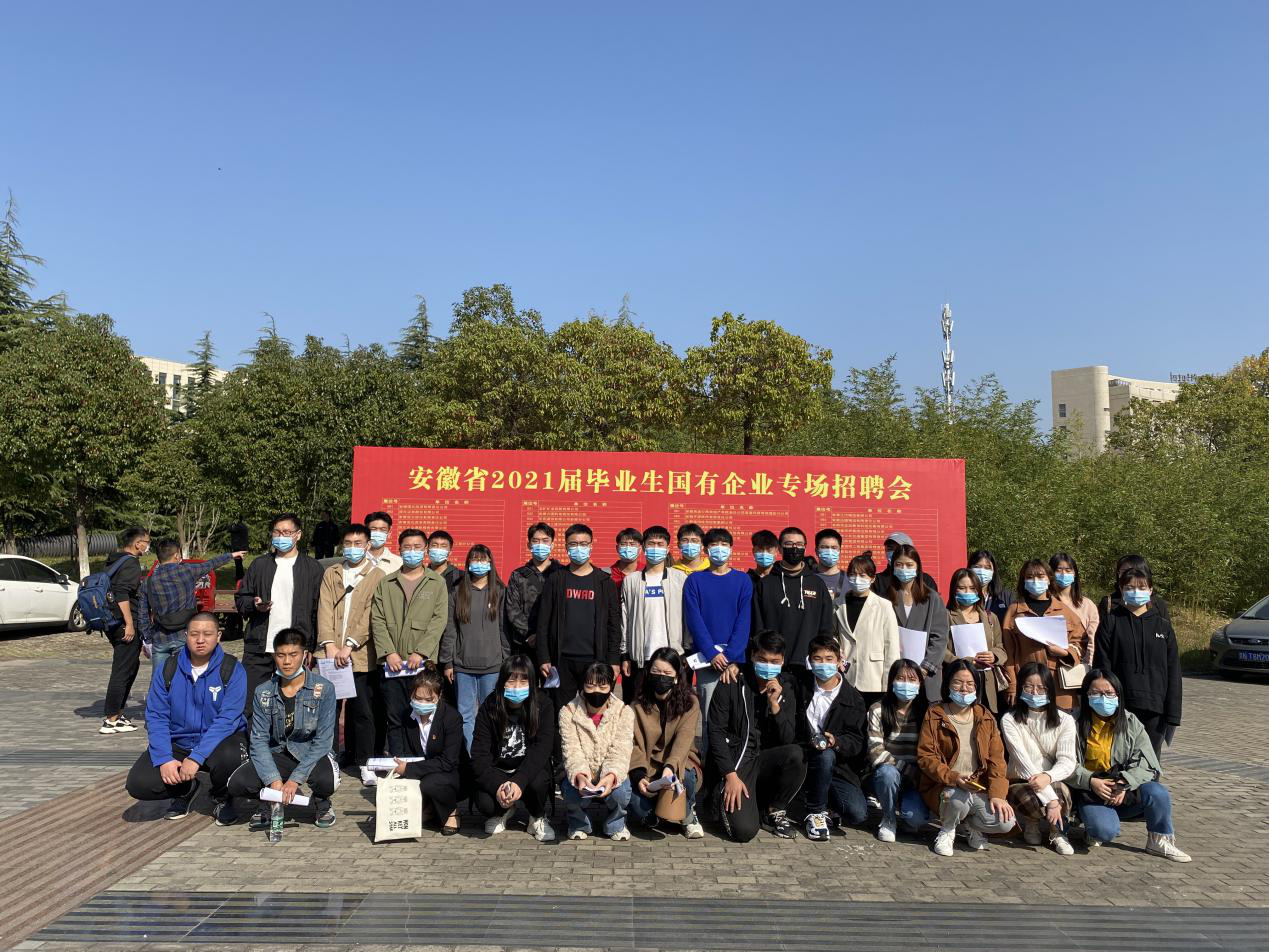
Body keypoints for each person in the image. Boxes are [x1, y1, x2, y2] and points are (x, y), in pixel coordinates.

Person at [125, 612, 247, 823]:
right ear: (185, 636)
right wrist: (164, 758)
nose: (200, 640)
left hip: (220, 741)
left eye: (207, 634)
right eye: (194, 634)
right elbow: (156, 716)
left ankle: (222, 797)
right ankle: (186, 789)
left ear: (218, 636)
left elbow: (228, 720)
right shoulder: (168, 668)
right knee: (139, 783)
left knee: (231, 757)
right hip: (180, 742)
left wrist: (196, 757)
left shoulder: (232, 669)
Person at [1067, 669, 1190, 861]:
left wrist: (1124, 783)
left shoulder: (1131, 722)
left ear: (1118, 694)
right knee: (1104, 831)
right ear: (1086, 695)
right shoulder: (1072, 722)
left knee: (1157, 792)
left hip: (1122, 789)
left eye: (1109, 693)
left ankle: (1158, 840)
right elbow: (1065, 763)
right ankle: (1092, 825)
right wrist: (1091, 781)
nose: (1103, 698)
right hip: (1089, 790)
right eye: (1095, 693)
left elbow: (1147, 764)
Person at [226, 628, 339, 831]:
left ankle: (322, 802)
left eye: (293, 654)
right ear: (274, 656)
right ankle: (268, 800)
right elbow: (258, 740)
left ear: (305, 655)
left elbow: (323, 740)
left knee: (327, 781)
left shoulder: (324, 688)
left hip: (310, 752)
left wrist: (295, 779)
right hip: (277, 752)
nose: (287, 661)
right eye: (281, 655)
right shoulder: (263, 692)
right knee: (238, 783)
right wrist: (273, 779)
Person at [707, 630, 806, 842]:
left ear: (783, 661)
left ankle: (773, 810)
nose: (768, 666)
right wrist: (730, 775)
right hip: (738, 763)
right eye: (762, 660)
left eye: (774, 661)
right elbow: (715, 732)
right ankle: (722, 799)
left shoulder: (786, 688)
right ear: (752, 656)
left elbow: (787, 739)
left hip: (765, 760)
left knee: (797, 754)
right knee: (743, 832)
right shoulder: (732, 682)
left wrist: (775, 705)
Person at [917, 659, 1016, 856]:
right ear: (947, 684)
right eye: (958, 682)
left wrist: (997, 794)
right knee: (956, 799)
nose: (964, 689)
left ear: (977, 687)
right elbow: (926, 756)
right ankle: (947, 830)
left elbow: (997, 760)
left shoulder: (985, 716)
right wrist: (953, 778)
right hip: (945, 786)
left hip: (977, 787)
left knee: (1005, 822)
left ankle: (970, 826)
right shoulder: (935, 714)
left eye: (970, 684)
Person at [317, 523, 386, 785]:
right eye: (348, 543)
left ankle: (365, 763)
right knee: (329, 711)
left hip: (360, 655)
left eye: (358, 543)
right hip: (330, 653)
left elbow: (371, 614)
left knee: (363, 712)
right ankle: (330, 759)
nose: (353, 548)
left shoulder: (377, 575)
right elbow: (324, 608)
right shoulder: (332, 573)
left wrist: (349, 645)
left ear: (368, 545)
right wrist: (329, 644)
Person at [235, 513, 325, 713]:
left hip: (293, 650)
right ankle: (253, 734)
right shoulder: (260, 565)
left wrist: (311, 647)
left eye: (286, 532)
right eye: (277, 532)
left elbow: (318, 611)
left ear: (298, 535)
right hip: (260, 647)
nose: (281, 536)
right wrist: (254, 605)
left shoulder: (313, 569)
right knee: (251, 704)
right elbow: (241, 599)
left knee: (291, 707)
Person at [1092, 567, 1181, 756]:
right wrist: (1105, 701)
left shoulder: (1163, 627)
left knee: (1149, 761)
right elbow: (1102, 665)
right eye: (1129, 587)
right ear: (1121, 589)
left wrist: (1173, 713)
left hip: (1155, 707)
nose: (1135, 592)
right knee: (1119, 757)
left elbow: (1173, 671)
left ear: (1150, 590)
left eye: (1141, 588)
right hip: (1120, 706)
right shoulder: (1111, 622)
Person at [371, 528, 448, 741]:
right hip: (392, 665)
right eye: (407, 547)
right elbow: (377, 620)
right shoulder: (386, 583)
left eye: (417, 547)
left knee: (423, 715)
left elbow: (438, 620)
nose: (412, 551)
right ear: (400, 549)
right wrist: (389, 652)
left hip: (422, 664)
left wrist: (421, 652)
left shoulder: (436, 583)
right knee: (395, 717)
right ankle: (398, 758)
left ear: (425, 549)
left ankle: (421, 758)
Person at [534, 523, 621, 708]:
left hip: (594, 660)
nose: (578, 548)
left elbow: (614, 625)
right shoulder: (556, 579)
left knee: (593, 711)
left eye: (583, 544)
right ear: (566, 547)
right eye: (573, 544)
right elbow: (543, 623)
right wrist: (544, 657)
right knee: (560, 712)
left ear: (591, 546)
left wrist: (614, 660)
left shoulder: (605, 582)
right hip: (561, 661)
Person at [470, 655, 556, 841]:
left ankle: (537, 816)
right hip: (499, 770)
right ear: (502, 682)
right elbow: (479, 754)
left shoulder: (543, 704)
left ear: (532, 682)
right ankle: (503, 810)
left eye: (523, 681)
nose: (517, 686)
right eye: (511, 680)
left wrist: (519, 781)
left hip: (528, 769)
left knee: (539, 782)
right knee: (484, 801)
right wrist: (498, 786)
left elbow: (542, 748)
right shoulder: (490, 706)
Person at [683, 528, 752, 753]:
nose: (719, 549)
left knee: (736, 718)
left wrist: (731, 658)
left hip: (734, 664)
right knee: (709, 719)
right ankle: (709, 765)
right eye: (713, 545)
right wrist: (712, 653)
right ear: (705, 549)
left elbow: (744, 621)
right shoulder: (694, 580)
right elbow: (694, 620)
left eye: (724, 544)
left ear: (731, 549)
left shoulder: (743, 580)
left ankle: (735, 765)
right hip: (707, 662)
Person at [1000, 662, 1077, 856]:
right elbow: (1023, 762)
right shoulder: (1009, 719)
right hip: (1021, 779)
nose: (1035, 693)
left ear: (1050, 690)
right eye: (1028, 687)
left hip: (1053, 779)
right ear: (1020, 688)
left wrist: (1048, 777)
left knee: (1060, 789)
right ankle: (1032, 821)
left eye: (1041, 688)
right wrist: (1051, 801)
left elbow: (1068, 761)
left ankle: (1058, 832)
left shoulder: (1066, 720)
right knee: (1039, 798)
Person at [628, 647, 704, 838]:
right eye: (656, 671)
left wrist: (670, 767)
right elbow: (633, 744)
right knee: (638, 805)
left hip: (679, 761)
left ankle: (688, 813)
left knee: (687, 777)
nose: (661, 677)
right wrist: (638, 775)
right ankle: (655, 812)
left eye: (667, 673)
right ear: (648, 673)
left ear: (677, 676)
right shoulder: (636, 705)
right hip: (648, 765)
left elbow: (684, 738)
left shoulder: (690, 703)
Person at [439, 545, 510, 749]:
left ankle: (489, 754)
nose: (479, 564)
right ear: (468, 563)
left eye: (483, 559)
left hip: (493, 666)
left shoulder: (500, 591)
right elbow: (450, 629)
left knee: (492, 713)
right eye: (475, 559)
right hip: (463, 666)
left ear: (490, 563)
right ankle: (470, 756)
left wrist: (506, 660)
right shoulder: (457, 591)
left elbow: (504, 629)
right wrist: (447, 662)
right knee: (465, 715)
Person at [799, 634, 868, 842]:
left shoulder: (853, 698)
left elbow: (857, 741)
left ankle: (824, 799)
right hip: (800, 756)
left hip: (836, 765)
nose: (823, 664)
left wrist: (837, 742)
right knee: (822, 757)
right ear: (810, 661)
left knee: (857, 813)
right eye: (818, 659)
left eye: (829, 659)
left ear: (839, 661)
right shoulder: (798, 685)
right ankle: (816, 813)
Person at [558, 662, 635, 841]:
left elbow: (621, 750)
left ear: (611, 686)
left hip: (609, 771)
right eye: (590, 685)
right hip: (583, 772)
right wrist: (580, 775)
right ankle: (578, 823)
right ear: (582, 686)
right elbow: (571, 750)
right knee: (571, 790)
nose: (596, 691)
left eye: (603, 686)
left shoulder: (624, 712)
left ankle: (616, 824)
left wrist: (610, 776)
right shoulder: (568, 711)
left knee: (621, 792)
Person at [139, 539, 241, 672]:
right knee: (185, 676)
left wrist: (147, 640)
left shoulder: (148, 582)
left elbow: (142, 615)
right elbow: (210, 564)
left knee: (159, 679)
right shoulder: (187, 571)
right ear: (177, 555)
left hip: (160, 637)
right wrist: (231, 555)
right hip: (184, 635)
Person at [752, 527, 835, 690]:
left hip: (808, 668)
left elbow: (825, 629)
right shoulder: (765, 584)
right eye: (789, 544)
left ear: (805, 547)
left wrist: (822, 661)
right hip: (773, 667)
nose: (794, 548)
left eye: (799, 544)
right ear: (780, 548)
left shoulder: (817, 584)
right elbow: (758, 627)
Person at [386, 664, 465, 835]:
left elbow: (448, 761)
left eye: (428, 700)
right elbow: (404, 750)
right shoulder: (407, 715)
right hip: (421, 767)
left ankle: (452, 811)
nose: (422, 703)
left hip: (449, 772)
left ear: (439, 696)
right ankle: (429, 807)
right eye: (418, 698)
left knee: (431, 784)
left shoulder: (451, 718)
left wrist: (409, 769)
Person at [1002, 560, 1085, 709]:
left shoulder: (1063, 610)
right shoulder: (1015, 611)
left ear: (1049, 579)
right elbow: (1008, 652)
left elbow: (1080, 642)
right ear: (1023, 581)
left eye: (1040, 576)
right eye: (1029, 577)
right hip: (1027, 685)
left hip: (1059, 686)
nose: (1035, 581)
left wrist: (1065, 652)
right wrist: (1012, 685)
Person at [865, 659, 931, 841]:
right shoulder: (878, 709)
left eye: (912, 679)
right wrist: (907, 770)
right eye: (900, 678)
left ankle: (905, 810)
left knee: (915, 820)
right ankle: (888, 818)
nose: (906, 684)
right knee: (888, 773)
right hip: (886, 775)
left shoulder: (927, 713)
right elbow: (876, 753)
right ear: (891, 681)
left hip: (915, 781)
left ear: (920, 684)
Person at [620, 525, 685, 703]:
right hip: (641, 657)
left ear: (668, 548)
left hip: (671, 656)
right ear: (643, 548)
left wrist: (684, 652)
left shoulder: (680, 579)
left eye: (660, 544)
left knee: (673, 706)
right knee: (639, 706)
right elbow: (625, 620)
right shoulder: (631, 581)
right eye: (651, 544)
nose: (656, 548)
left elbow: (687, 619)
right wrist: (625, 655)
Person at [100, 526, 151, 735]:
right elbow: (121, 593)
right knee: (122, 670)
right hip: (124, 624)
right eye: (147, 542)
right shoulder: (130, 563)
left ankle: (118, 714)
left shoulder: (115, 560)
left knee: (130, 666)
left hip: (112, 622)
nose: (148, 546)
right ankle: (111, 719)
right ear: (138, 543)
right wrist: (129, 623)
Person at [885, 543, 950, 702]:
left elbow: (940, 637)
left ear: (917, 567)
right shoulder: (885, 597)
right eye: (899, 564)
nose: (904, 569)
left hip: (926, 675)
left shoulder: (932, 598)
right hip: (896, 674)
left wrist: (926, 668)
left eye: (909, 565)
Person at [835, 552, 899, 705]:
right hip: (845, 676)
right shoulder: (837, 604)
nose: (857, 579)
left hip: (874, 679)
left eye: (862, 575)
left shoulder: (884, 606)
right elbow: (833, 635)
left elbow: (891, 646)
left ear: (872, 578)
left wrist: (888, 684)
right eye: (852, 574)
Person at [945, 567, 1008, 715]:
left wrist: (994, 655)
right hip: (959, 681)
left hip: (986, 683)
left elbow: (1001, 646)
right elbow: (940, 650)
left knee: (985, 720)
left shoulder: (990, 617)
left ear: (978, 591)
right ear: (954, 590)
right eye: (962, 588)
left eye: (972, 588)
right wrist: (965, 662)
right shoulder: (945, 616)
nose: (967, 592)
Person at [505, 522, 561, 656]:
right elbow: (512, 610)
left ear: (552, 545)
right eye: (536, 541)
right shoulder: (518, 575)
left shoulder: (562, 574)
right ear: (529, 545)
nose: (540, 545)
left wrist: (545, 636)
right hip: (525, 644)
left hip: (555, 643)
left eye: (545, 541)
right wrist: (530, 634)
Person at [1097, 554, 1172, 624]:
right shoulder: (1108, 603)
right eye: (1124, 571)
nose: (1128, 575)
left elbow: (1166, 630)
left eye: (1133, 571)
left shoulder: (1158, 604)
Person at [1051, 552, 1099, 660]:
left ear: (1075, 573)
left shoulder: (1087, 605)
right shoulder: (1046, 602)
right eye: (1059, 570)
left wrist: (1088, 664)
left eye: (1068, 570)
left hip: (1079, 663)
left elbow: (1092, 639)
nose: (1063, 574)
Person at [873, 531, 939, 598]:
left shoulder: (925, 580)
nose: (894, 552)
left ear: (910, 551)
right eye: (890, 548)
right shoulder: (877, 581)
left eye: (898, 548)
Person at [968, 549, 1013, 623]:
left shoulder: (1006, 596)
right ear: (969, 569)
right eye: (977, 567)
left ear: (993, 571)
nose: (982, 571)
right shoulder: (963, 595)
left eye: (987, 568)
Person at [814, 529, 848, 599]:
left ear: (839, 551)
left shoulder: (850, 580)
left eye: (834, 548)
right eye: (824, 547)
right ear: (816, 551)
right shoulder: (806, 578)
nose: (830, 551)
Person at [227, 517, 250, 583]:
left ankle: (239, 577)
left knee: (238, 563)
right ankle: (240, 576)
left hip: (238, 548)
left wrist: (232, 523)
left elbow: (229, 529)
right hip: (241, 547)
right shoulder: (243, 526)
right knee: (239, 563)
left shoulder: (238, 526)